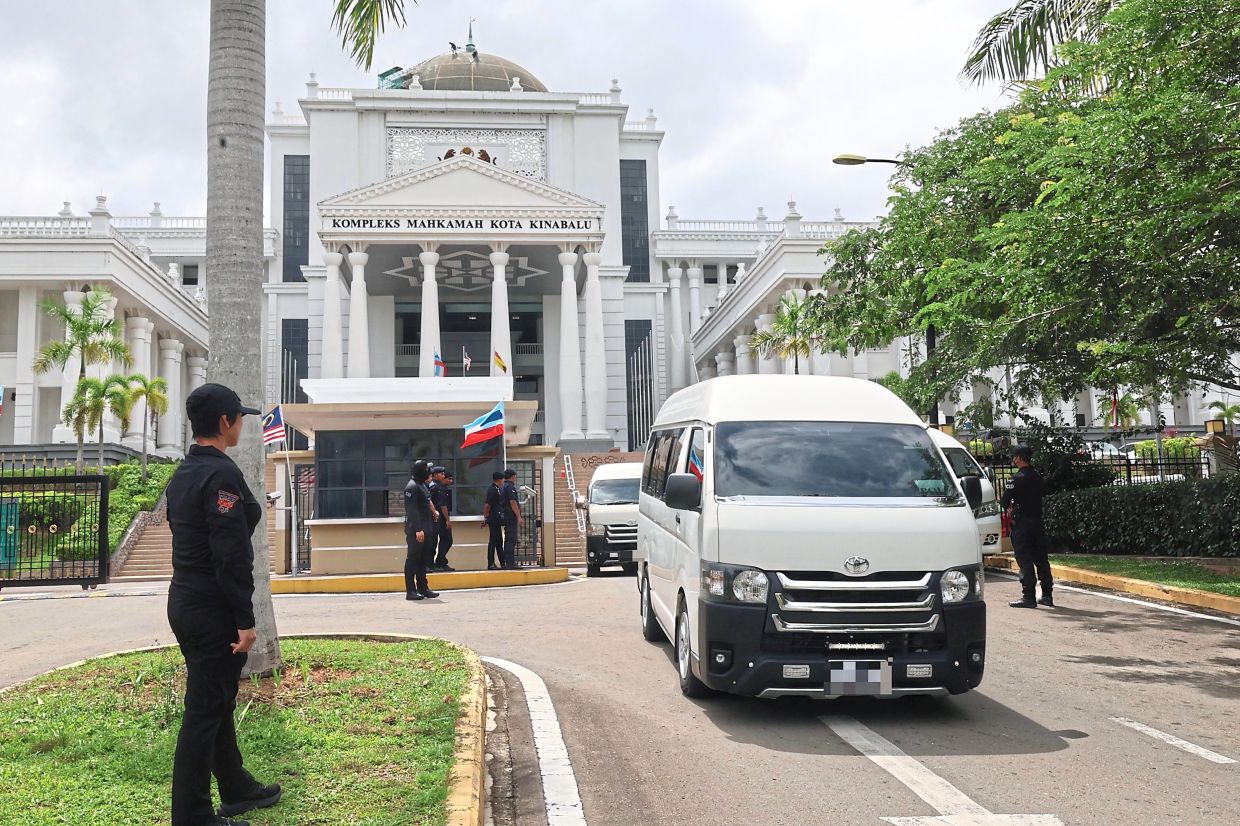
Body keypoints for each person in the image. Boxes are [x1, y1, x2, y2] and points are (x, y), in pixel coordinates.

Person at [165, 383, 282, 826]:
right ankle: (192, 816)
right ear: (223, 423)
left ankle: (235, 787)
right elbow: (229, 553)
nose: (242, 424)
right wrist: (244, 619)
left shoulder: (184, 472)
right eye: (239, 417)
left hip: (186, 602)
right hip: (212, 608)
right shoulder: (221, 475)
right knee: (204, 711)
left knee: (217, 700)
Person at [1001, 445, 1054, 608]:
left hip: (1022, 524)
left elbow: (1005, 502)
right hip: (1037, 522)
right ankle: (1047, 595)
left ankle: (1028, 596)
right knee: (1041, 559)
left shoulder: (1015, 479)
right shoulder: (1037, 477)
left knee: (1024, 559)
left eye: (1014, 456)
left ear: (1019, 458)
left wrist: (1012, 506)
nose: (1013, 459)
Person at [403, 461, 439, 601]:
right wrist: (418, 529)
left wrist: (434, 512)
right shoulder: (411, 487)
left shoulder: (422, 485)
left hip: (426, 526)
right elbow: (411, 510)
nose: (428, 472)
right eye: (426, 470)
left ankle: (423, 588)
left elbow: (427, 501)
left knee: (423, 559)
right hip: (416, 529)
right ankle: (410, 591)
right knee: (413, 558)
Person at [431, 467, 455, 572]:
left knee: (445, 540)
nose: (443, 476)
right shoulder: (438, 487)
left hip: (438, 517)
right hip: (439, 517)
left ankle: (441, 561)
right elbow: (443, 505)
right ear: (435, 475)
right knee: (447, 539)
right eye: (441, 474)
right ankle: (439, 562)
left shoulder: (438, 486)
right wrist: (447, 520)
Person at [484, 471, 507, 570]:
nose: (503, 481)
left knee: (498, 542)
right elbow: (487, 504)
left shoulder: (497, 489)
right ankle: (491, 563)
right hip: (493, 519)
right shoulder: (493, 490)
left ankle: (502, 563)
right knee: (493, 541)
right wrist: (486, 517)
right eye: (502, 479)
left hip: (496, 518)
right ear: (499, 480)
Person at [502, 468, 524, 569]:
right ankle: (510, 563)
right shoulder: (510, 487)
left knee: (508, 540)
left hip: (506, 516)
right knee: (511, 539)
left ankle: (508, 562)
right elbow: (512, 502)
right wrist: (519, 516)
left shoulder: (503, 486)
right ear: (513, 476)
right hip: (510, 516)